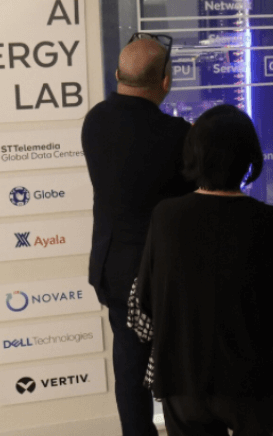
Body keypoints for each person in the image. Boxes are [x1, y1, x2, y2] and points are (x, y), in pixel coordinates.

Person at [128, 104, 273, 436]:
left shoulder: (166, 216)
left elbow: (143, 307)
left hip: (181, 378)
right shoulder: (270, 221)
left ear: (194, 154)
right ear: (250, 158)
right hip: (251, 382)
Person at [82, 32, 194, 436]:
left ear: (117, 75)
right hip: (165, 274)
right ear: (165, 81)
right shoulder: (179, 136)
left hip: (113, 268)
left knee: (129, 365)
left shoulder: (94, 121)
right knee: (182, 366)